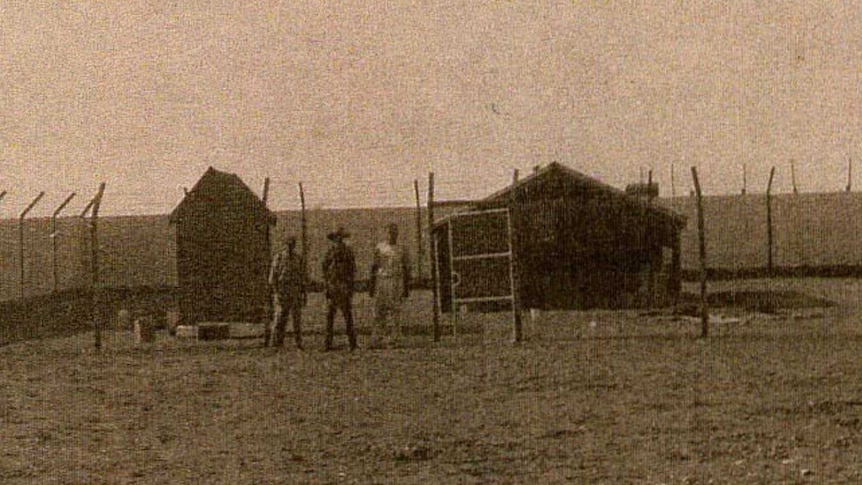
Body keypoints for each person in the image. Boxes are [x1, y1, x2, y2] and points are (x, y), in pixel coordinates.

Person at [369, 223, 410, 347]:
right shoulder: (380, 247)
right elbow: (374, 266)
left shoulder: (402, 248)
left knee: (395, 310)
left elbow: (406, 268)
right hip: (382, 280)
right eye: (390, 232)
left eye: (394, 232)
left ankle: (395, 339)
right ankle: (377, 338)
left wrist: (406, 287)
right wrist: (372, 285)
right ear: (386, 233)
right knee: (379, 310)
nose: (392, 235)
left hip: (395, 281)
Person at [322, 227, 358, 351]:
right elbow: (325, 268)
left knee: (347, 314)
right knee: (330, 315)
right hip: (333, 286)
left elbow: (352, 269)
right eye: (336, 237)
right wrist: (327, 285)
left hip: (343, 286)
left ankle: (352, 343)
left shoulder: (348, 251)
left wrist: (350, 286)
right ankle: (328, 343)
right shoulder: (330, 252)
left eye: (340, 237)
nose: (338, 239)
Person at [267, 235, 305, 349]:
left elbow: (302, 277)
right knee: (279, 318)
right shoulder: (278, 258)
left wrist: (303, 293)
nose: (290, 247)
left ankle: (298, 343)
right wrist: (276, 292)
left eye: (292, 245)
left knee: (296, 319)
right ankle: (275, 343)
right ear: (284, 245)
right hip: (282, 291)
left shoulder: (298, 259)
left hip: (295, 291)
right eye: (288, 244)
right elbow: (272, 278)